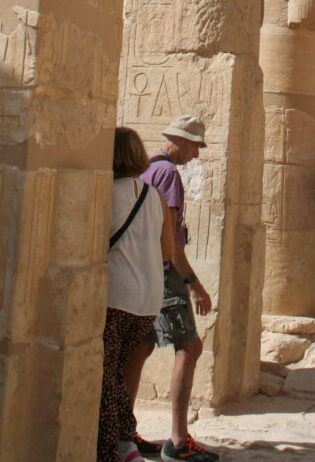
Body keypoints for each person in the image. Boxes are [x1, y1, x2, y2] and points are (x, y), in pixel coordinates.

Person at [125, 115, 218, 462]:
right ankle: (178, 440)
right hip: (165, 272)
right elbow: (171, 239)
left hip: (141, 269)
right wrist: (194, 284)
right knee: (189, 347)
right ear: (179, 141)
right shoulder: (168, 174)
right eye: (195, 146)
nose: (196, 154)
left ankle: (124, 430)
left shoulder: (145, 167)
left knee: (142, 345)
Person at [99, 126, 174, 462]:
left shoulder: (104, 192)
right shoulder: (153, 195)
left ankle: (117, 447)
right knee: (116, 370)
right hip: (148, 297)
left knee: (105, 373)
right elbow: (167, 250)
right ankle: (125, 442)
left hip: (117, 294)